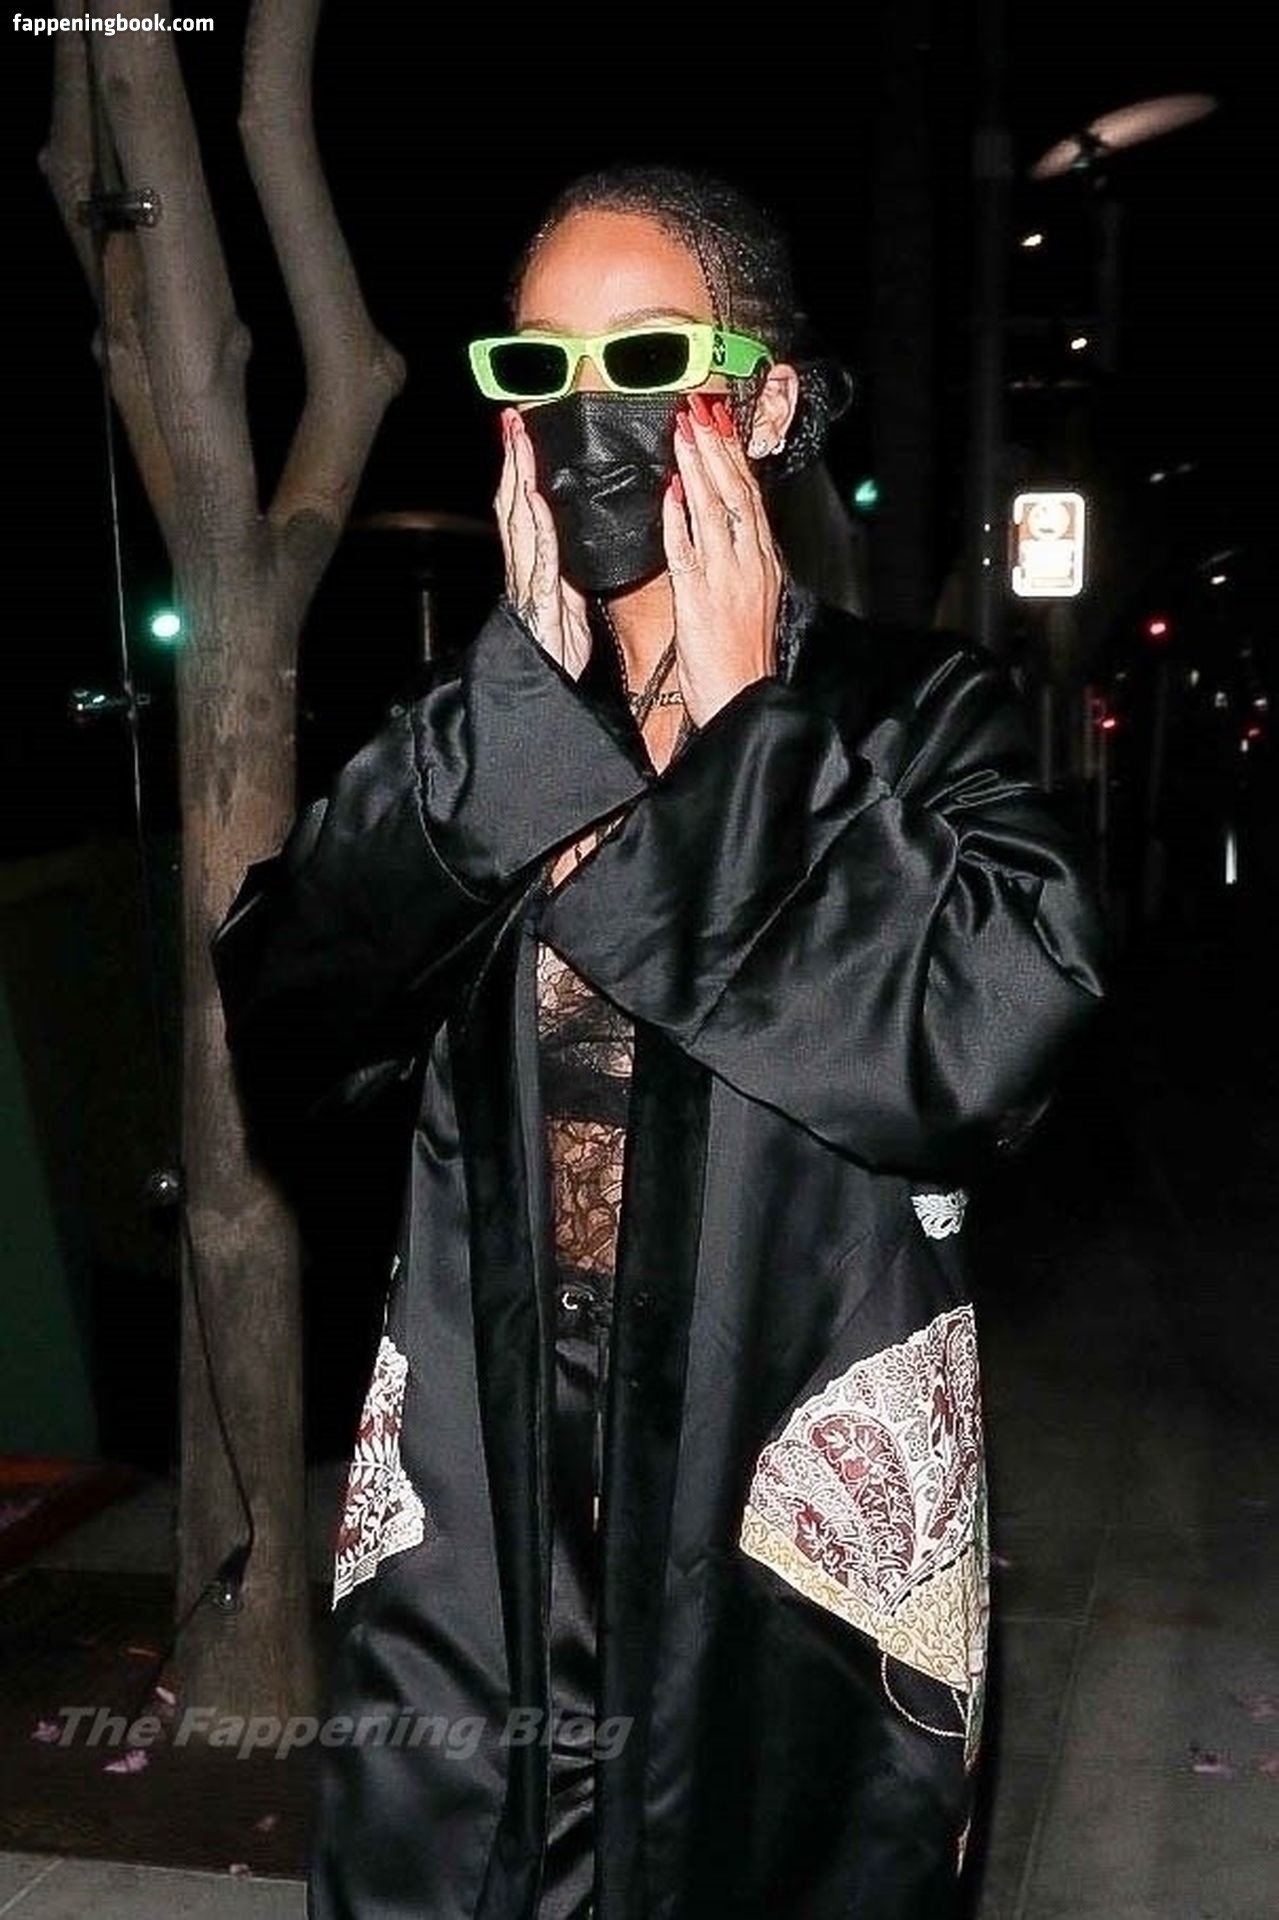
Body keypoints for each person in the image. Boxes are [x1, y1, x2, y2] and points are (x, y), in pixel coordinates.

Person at [212, 163, 1107, 1920]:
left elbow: (993, 1047)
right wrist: (509, 724)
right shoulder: (482, 738)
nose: (584, 416)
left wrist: (748, 734)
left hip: (775, 1516)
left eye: (646, 360)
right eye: (537, 368)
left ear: (763, 406)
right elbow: (288, 1013)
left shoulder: (912, 720)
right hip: (485, 1507)